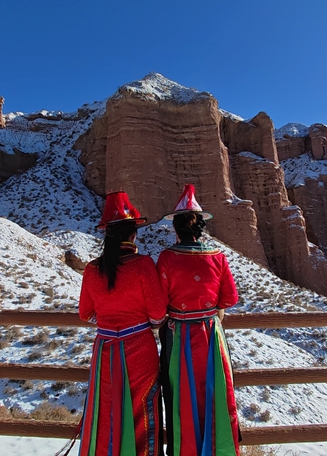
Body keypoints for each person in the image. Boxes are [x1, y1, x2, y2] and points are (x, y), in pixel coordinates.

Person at [77, 191, 166, 456]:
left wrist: (109, 320)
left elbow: (85, 313)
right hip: (139, 347)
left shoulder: (92, 269)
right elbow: (158, 314)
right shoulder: (143, 265)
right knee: (142, 409)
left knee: (106, 411)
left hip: (105, 349)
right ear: (133, 234)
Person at [157, 185, 241, 456]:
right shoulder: (217, 257)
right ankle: (218, 447)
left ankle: (185, 448)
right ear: (200, 228)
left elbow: (159, 305)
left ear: (176, 229)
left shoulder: (167, 258)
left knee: (181, 392)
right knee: (215, 390)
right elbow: (230, 298)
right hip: (211, 334)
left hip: (179, 336)